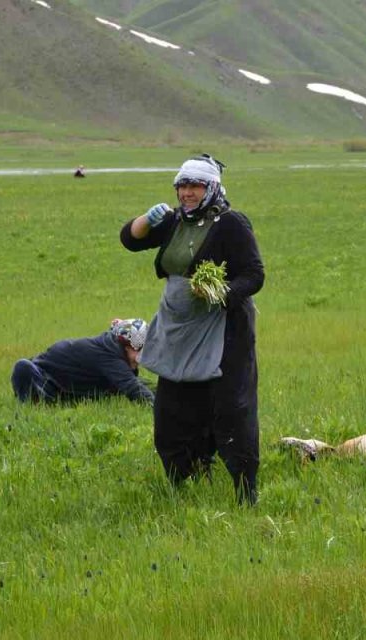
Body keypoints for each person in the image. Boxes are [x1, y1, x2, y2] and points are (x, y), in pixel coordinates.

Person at [120, 154, 265, 504]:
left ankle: (245, 491)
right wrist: (147, 220)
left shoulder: (231, 224)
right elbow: (130, 240)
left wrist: (219, 292)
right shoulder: (174, 221)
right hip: (178, 329)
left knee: (230, 410)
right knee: (173, 410)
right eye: (182, 186)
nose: (187, 193)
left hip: (223, 331)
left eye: (195, 186)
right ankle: (186, 479)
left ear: (211, 188)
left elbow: (254, 275)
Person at [11, 318, 153, 404]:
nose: (141, 358)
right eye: (140, 350)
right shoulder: (109, 356)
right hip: (46, 378)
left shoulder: (114, 350)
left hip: (67, 385)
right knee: (22, 367)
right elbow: (132, 387)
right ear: (127, 347)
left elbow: (136, 383)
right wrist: (156, 407)